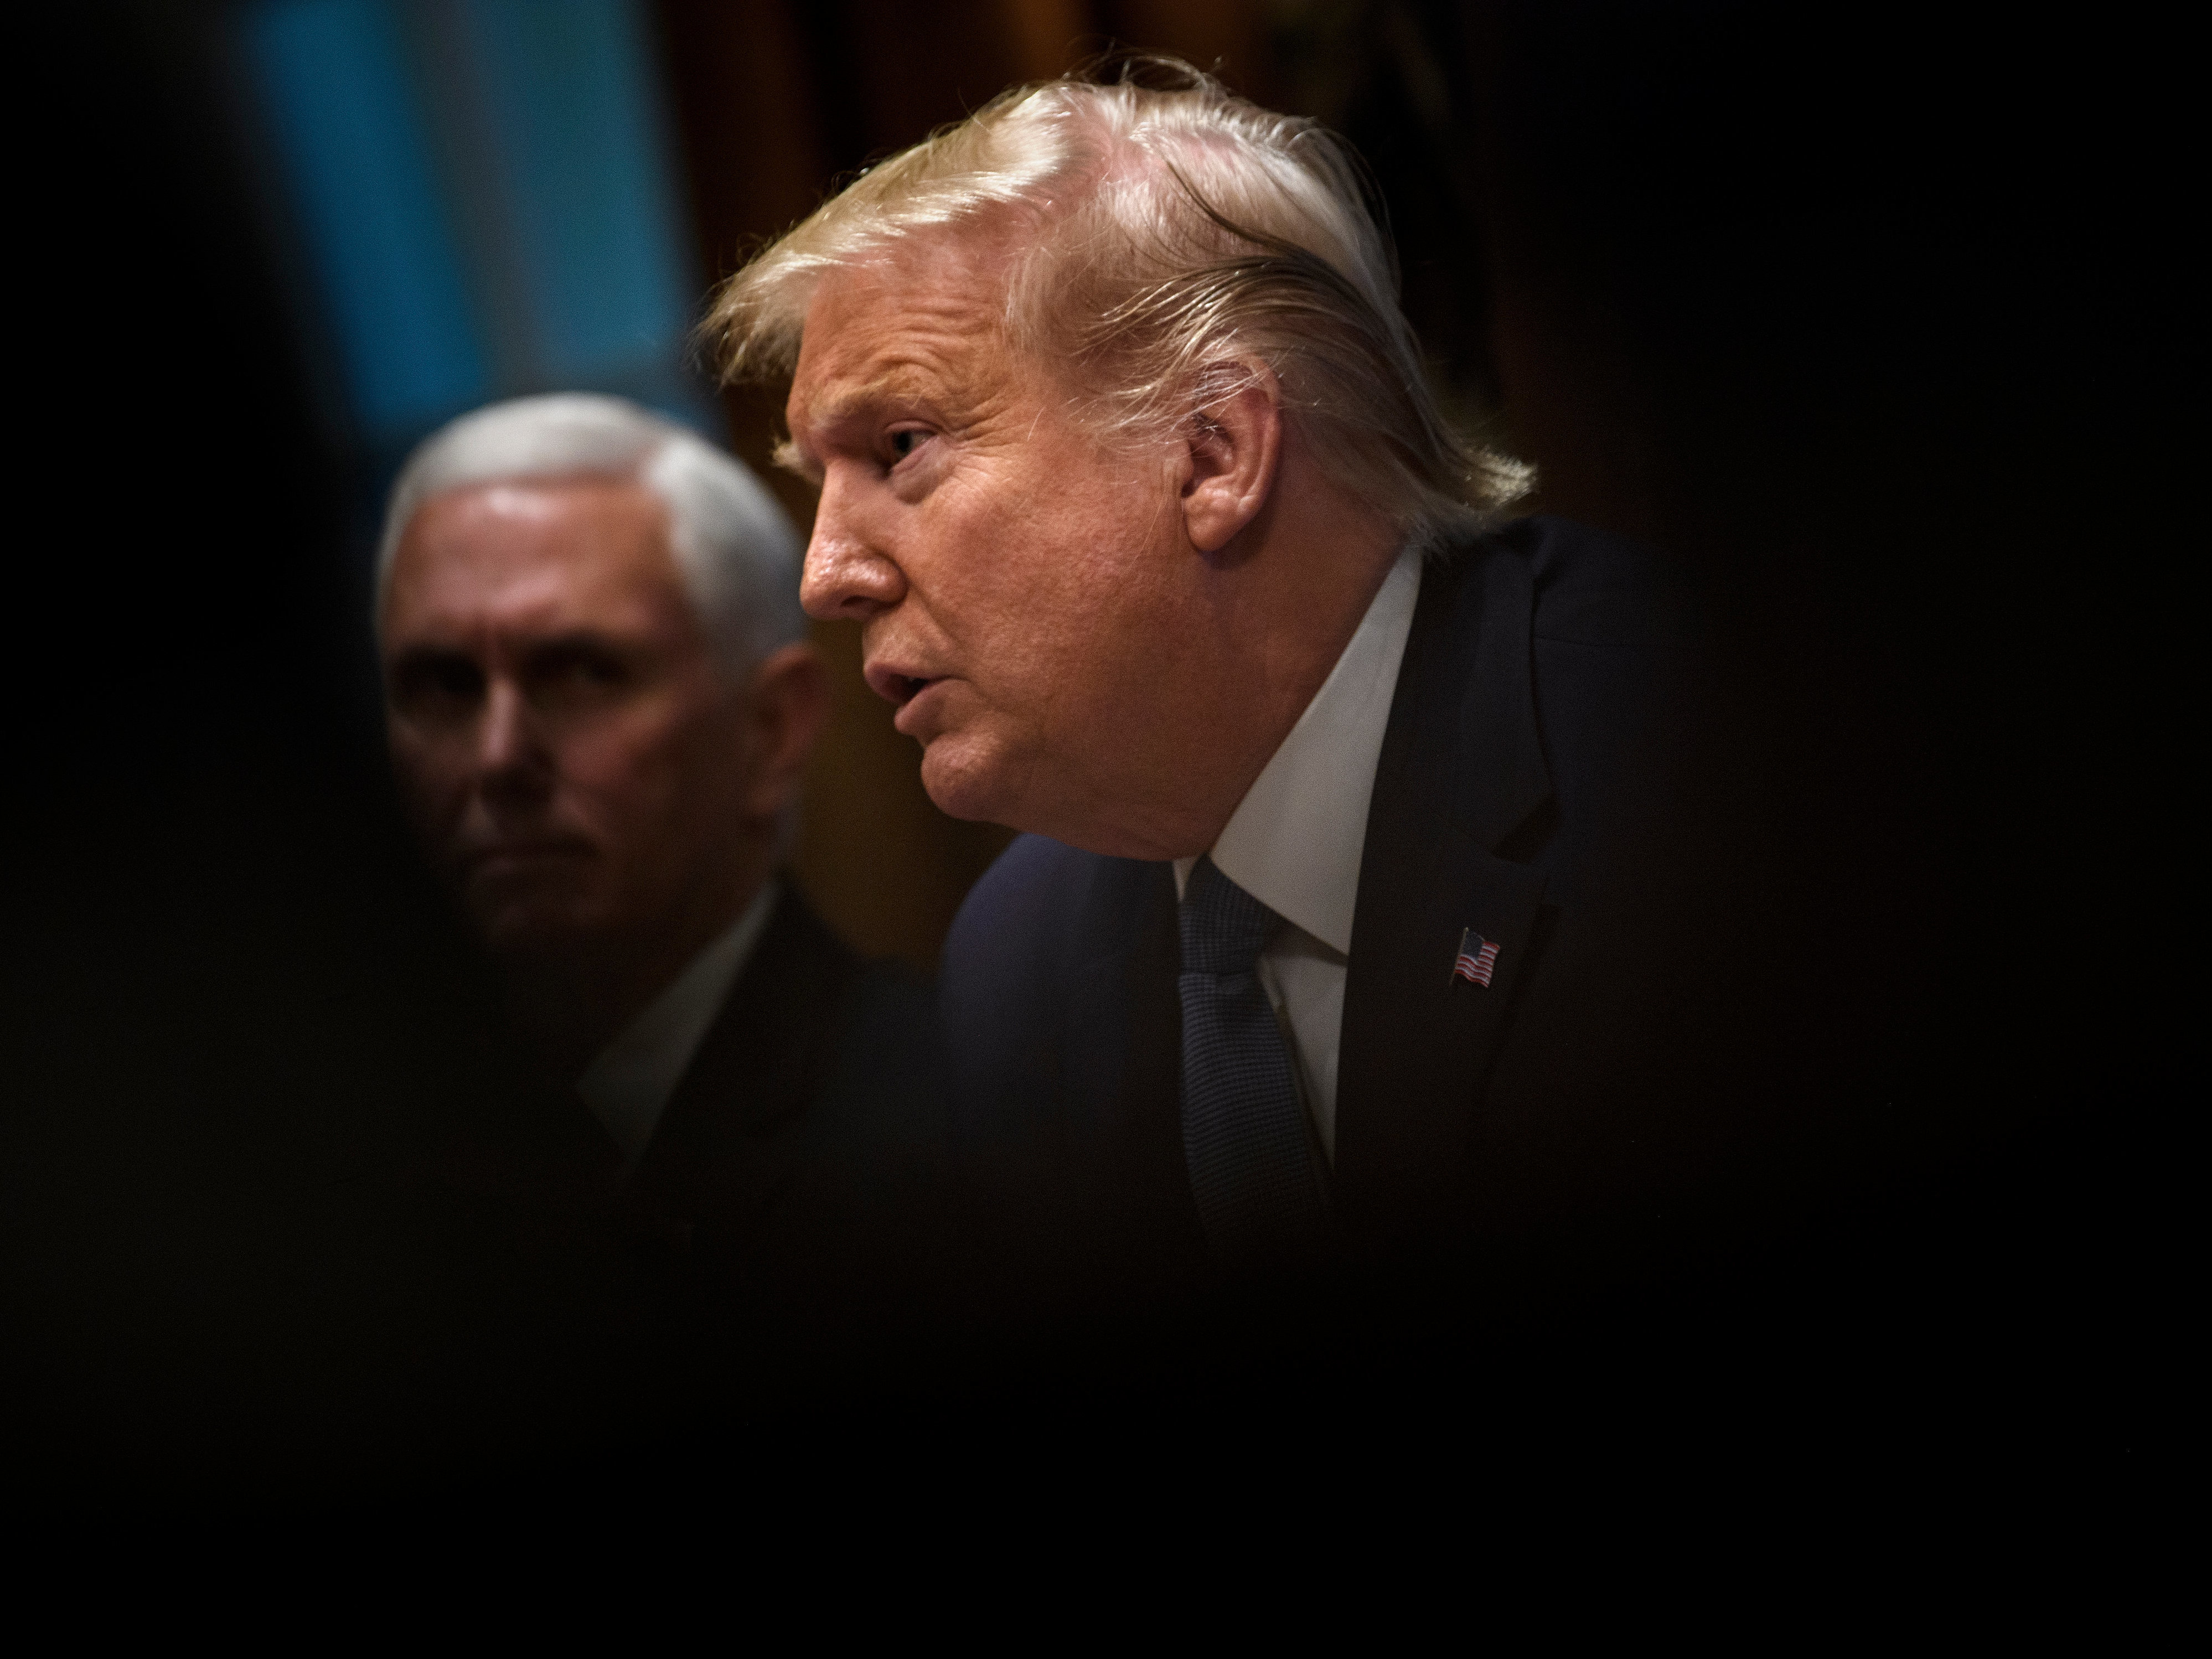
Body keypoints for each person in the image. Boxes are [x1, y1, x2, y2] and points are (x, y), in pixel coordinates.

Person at [705, 61, 1749, 1347]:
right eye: (818, 481)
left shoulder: (1713, 770)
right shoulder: (1015, 970)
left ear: (1214, 451)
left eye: (902, 446)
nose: (825, 576)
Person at [375, 393, 949, 1416]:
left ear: (771, 730)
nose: (498, 756)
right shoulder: (328, 1161)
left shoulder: (965, 1121)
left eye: (582, 671)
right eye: (442, 686)